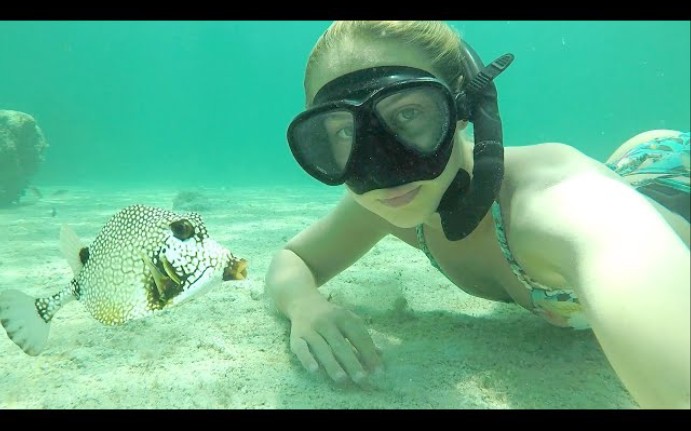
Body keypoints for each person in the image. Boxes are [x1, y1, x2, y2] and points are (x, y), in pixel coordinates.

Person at [265, 20, 690, 409]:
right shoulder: (393, 204)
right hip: (635, 170)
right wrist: (305, 304)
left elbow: (617, 240)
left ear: (467, 107)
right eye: (343, 130)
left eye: (408, 113)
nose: (379, 167)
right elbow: (294, 259)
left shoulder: (562, 203)